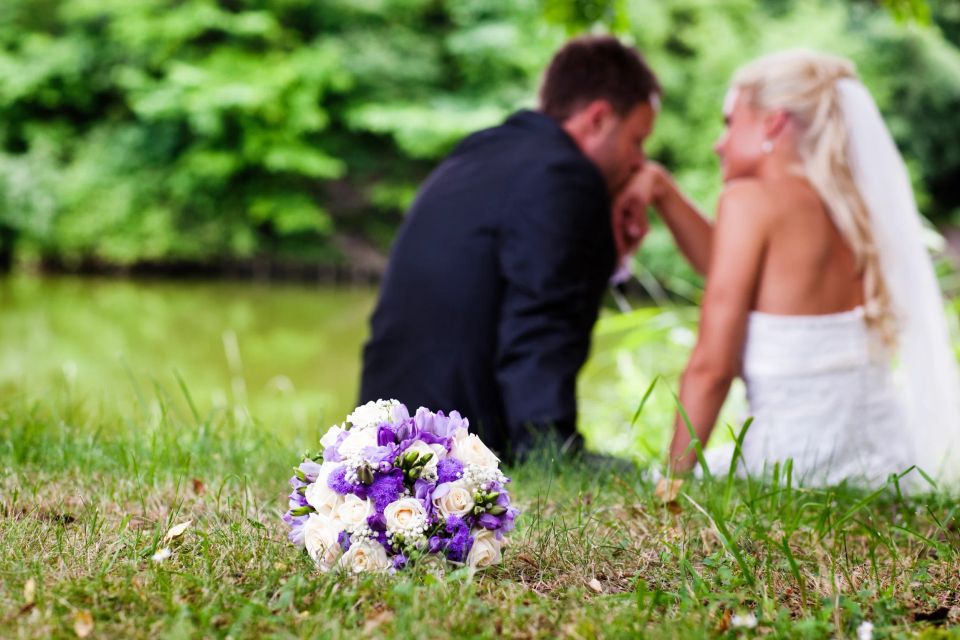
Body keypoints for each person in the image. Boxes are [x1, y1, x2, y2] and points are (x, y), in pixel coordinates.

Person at [617, 50, 960, 487]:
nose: (718, 143)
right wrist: (664, 190)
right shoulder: (858, 210)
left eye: (729, 122)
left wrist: (673, 482)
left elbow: (712, 367)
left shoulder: (749, 200)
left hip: (792, 466)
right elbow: (730, 269)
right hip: (886, 465)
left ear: (772, 123)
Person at [359, 36, 660, 461]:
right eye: (637, 141)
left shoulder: (482, 149)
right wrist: (549, 447)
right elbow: (543, 321)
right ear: (598, 118)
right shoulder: (567, 175)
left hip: (382, 428)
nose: (638, 163)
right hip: (456, 444)